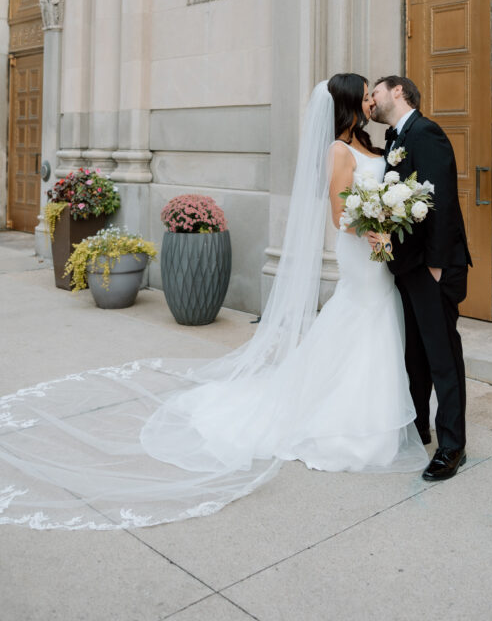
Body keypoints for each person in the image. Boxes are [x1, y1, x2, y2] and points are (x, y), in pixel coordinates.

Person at [0, 75, 426, 530]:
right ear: (346, 103)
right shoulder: (338, 151)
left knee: (373, 320)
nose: (369, 99)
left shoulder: (370, 143)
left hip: (378, 254)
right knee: (361, 318)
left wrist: (390, 213)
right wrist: (376, 224)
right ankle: (350, 420)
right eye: (362, 94)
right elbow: (341, 214)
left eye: (371, 93)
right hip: (363, 250)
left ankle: (368, 408)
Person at [371, 75, 472, 482]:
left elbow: (442, 199)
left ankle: (453, 445)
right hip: (407, 266)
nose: (371, 102)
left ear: (398, 92)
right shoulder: (395, 139)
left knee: (442, 356)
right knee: (416, 354)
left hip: (433, 267)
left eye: (374, 93)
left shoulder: (426, 132)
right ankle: (420, 427)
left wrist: (436, 264)